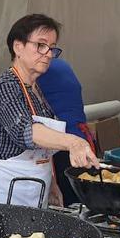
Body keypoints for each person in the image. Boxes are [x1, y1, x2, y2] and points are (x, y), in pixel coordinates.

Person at [0, 14, 100, 207]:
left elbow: (42, 150)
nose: (48, 53)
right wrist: (74, 142)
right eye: (40, 45)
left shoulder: (35, 90)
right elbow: (26, 131)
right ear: (18, 47)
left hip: (31, 187)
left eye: (52, 47)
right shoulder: (5, 86)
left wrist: (51, 183)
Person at [37, 57, 96, 206]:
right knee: (82, 202)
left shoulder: (38, 70)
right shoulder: (62, 65)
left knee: (65, 205)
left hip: (63, 145)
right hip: (82, 139)